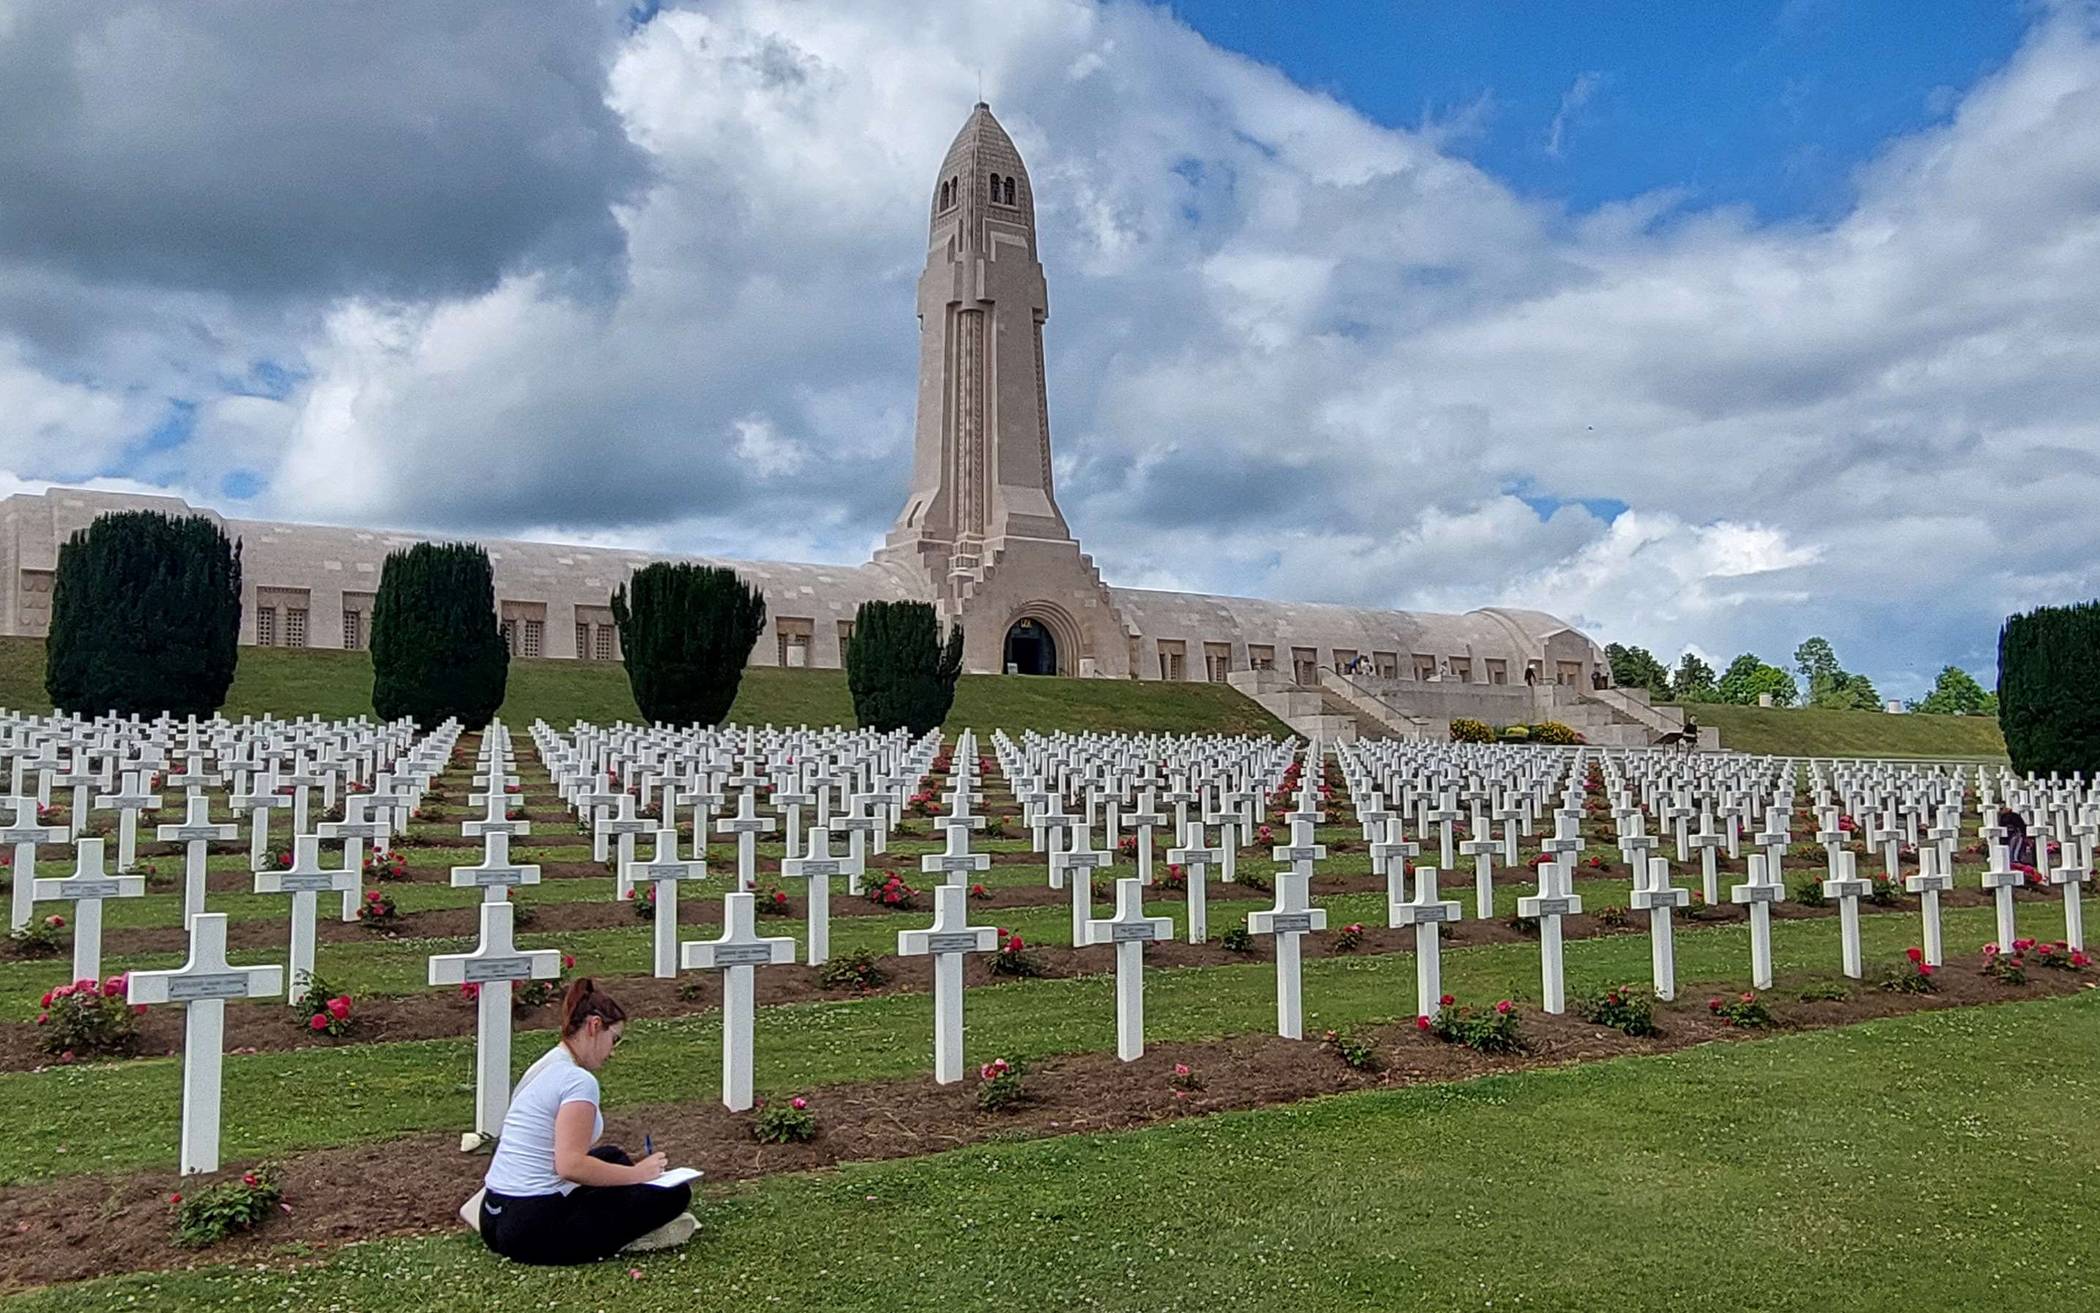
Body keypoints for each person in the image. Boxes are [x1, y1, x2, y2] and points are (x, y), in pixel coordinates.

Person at [477, 979, 696, 1264]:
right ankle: (635, 1235)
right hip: (530, 1227)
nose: (612, 1051)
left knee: (612, 1156)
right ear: (594, 1026)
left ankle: (623, 1216)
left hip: (493, 1214)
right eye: (613, 1039)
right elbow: (570, 1165)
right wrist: (639, 1175)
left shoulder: (548, 1064)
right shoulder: (578, 1081)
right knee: (675, 1193)